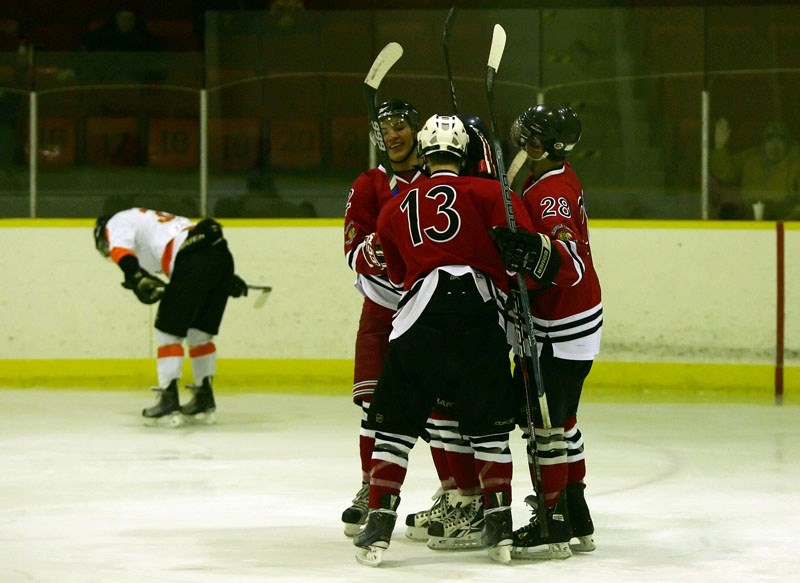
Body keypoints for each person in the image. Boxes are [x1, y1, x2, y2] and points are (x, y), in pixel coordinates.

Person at [352, 114, 560, 567]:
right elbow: (532, 262)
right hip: (479, 319)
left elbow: (394, 270)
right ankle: (499, 520)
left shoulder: (397, 204)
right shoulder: (493, 194)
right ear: (465, 153)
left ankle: (379, 522)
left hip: (419, 319)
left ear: (425, 153)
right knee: (488, 427)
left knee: (395, 425)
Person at [499, 104, 602, 561]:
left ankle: (552, 519)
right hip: (572, 321)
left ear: (546, 145)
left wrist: (536, 255)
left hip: (561, 325)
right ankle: (576, 513)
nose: (522, 136)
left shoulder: (550, 194)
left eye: (531, 133)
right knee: (564, 420)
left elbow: (570, 264)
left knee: (546, 426)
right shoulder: (550, 177)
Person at [93, 208, 248, 426]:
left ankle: (168, 400)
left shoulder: (117, 220)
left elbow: (121, 251)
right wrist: (225, 278)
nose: (107, 252)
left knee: (168, 331)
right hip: (220, 255)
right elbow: (200, 250)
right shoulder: (154, 226)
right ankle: (204, 398)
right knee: (199, 334)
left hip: (192, 257)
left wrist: (133, 275)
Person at [711, 118, 800, 220]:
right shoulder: (751, 158)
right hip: (750, 222)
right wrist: (719, 146)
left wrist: (786, 222)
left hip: (785, 226)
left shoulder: (796, 163)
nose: (775, 146)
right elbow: (724, 172)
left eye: (781, 139)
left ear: (789, 143)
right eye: (769, 139)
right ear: (762, 142)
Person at [83, 8, 162, 52]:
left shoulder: (143, 36)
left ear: (134, 21)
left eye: (130, 19)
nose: (126, 22)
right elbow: (85, 50)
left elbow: (157, 53)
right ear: (117, 20)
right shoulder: (104, 34)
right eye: (123, 19)